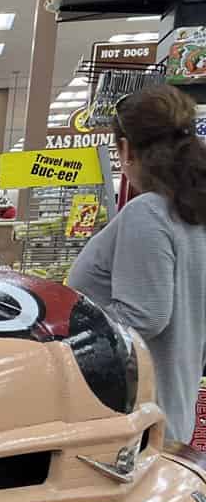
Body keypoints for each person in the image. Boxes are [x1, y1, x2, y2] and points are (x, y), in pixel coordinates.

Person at [68, 84, 206, 443]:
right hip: (167, 408)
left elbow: (145, 315)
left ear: (126, 149)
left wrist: (64, 337)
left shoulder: (149, 213)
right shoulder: (191, 216)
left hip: (130, 417)